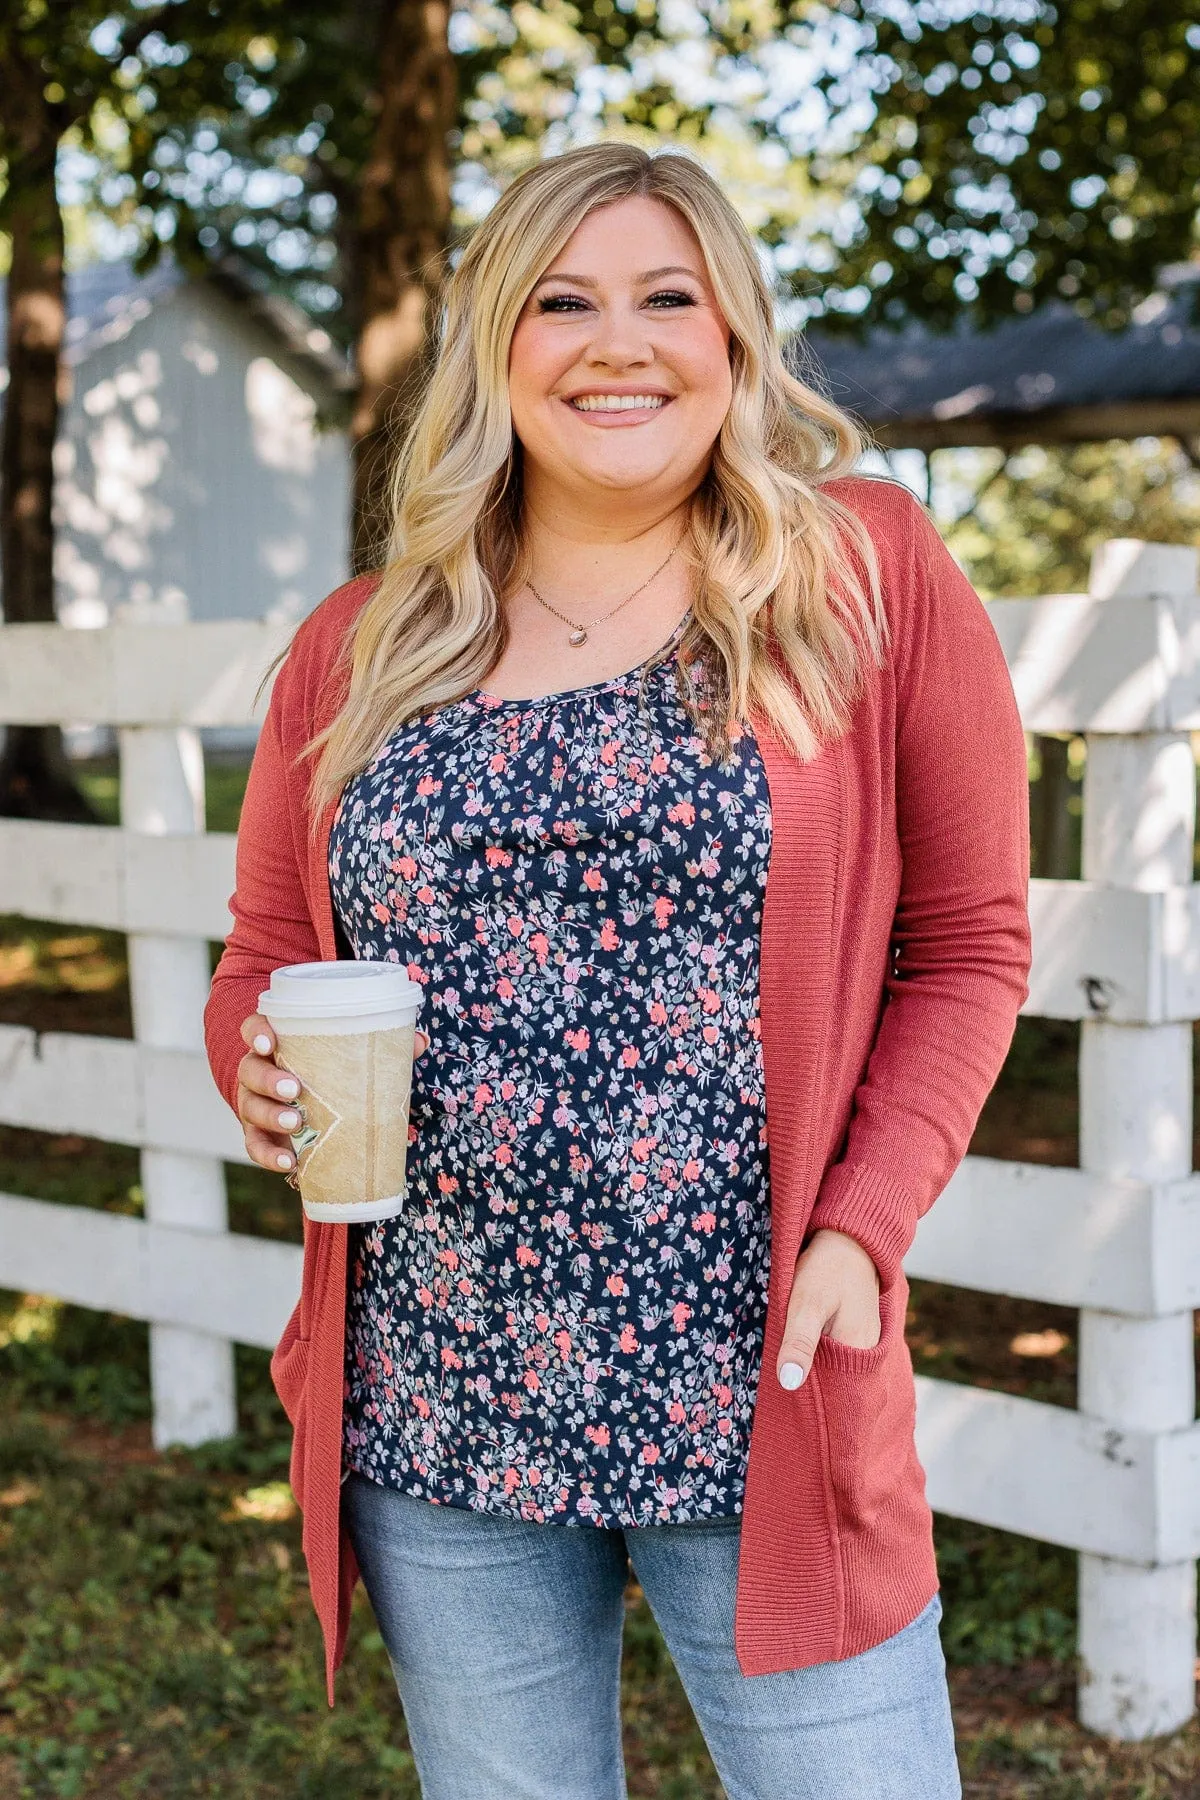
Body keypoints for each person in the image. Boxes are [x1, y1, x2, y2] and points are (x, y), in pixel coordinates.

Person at [204, 141, 1030, 1800]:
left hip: (760, 1375)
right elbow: (271, 956)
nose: (618, 341)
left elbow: (972, 947)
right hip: (440, 1388)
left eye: (671, 296)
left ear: (736, 337)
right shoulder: (363, 644)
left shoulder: (859, 575)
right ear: (497, 346)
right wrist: (259, 1069)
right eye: (563, 301)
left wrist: (869, 1218)